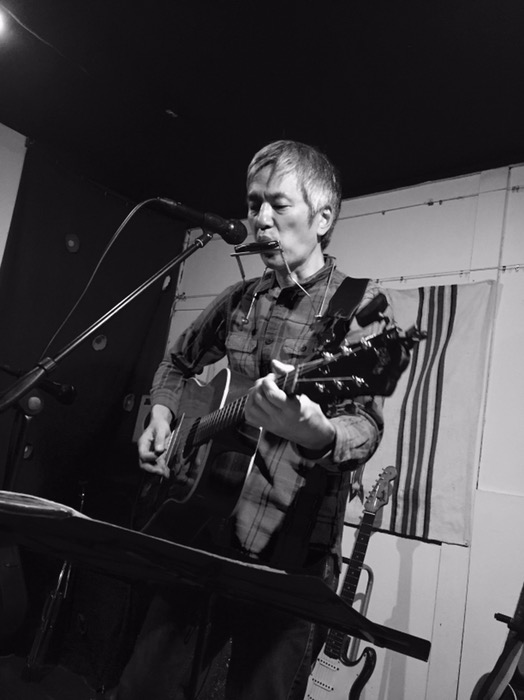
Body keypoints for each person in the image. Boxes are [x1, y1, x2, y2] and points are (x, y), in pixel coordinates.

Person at [113, 140, 398, 700]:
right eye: (252, 204)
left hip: (292, 552)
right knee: (145, 686)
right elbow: (177, 362)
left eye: (278, 204)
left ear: (322, 218)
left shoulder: (359, 306)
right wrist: (164, 414)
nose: (260, 219)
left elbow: (365, 425)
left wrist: (317, 433)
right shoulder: (238, 299)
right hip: (203, 527)